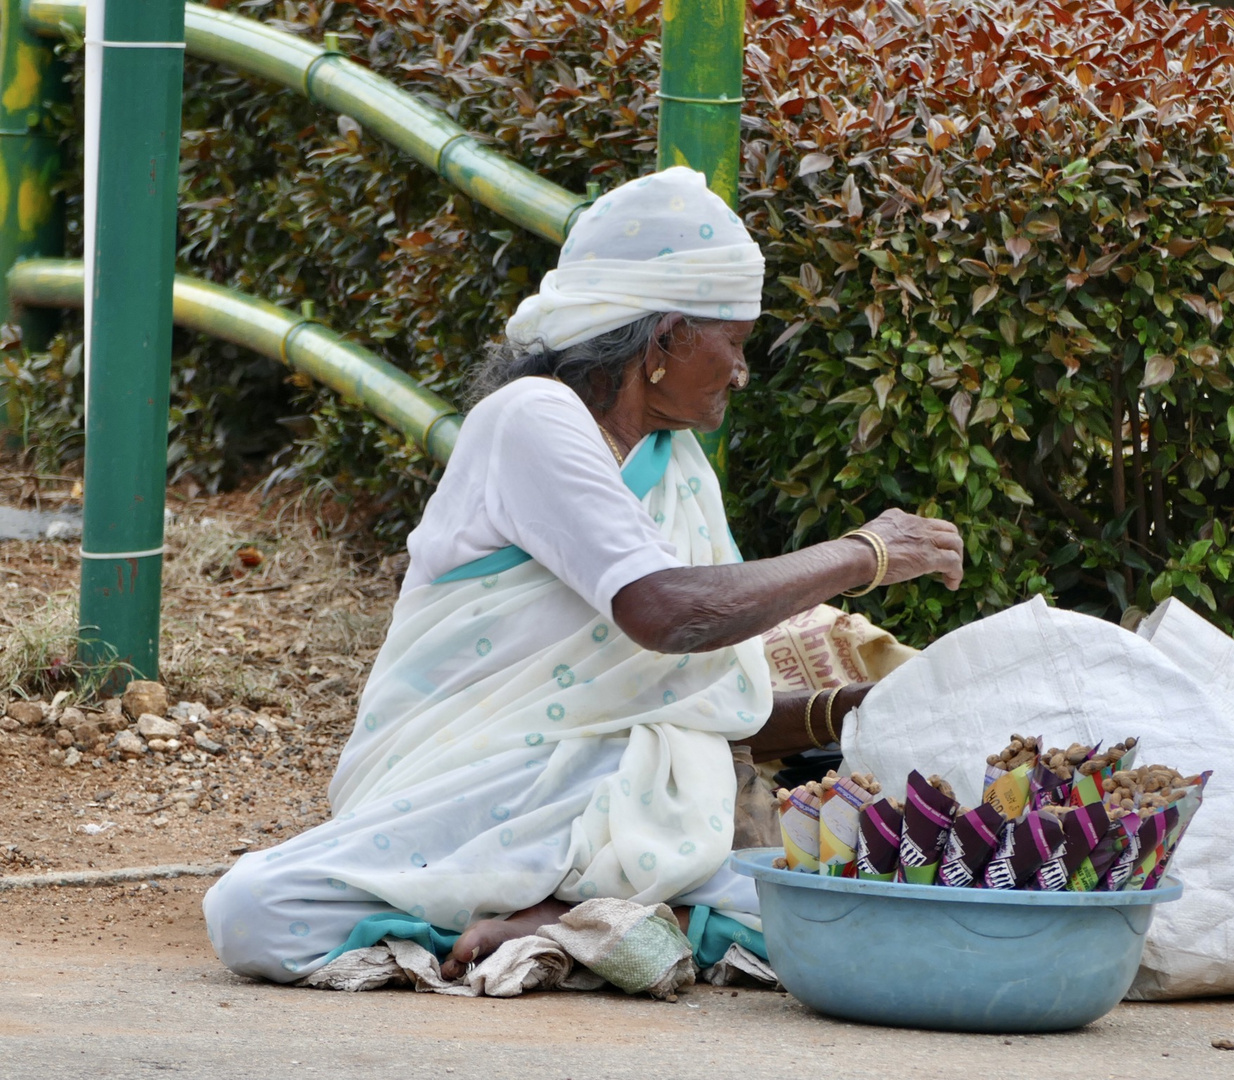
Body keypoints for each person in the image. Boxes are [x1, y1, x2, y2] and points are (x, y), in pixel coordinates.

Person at [203, 167, 964, 983]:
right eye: (734, 343)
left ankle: (583, 916)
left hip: (638, 811)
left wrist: (851, 710)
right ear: (665, 338)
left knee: (850, 902)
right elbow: (663, 614)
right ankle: (570, 917)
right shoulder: (531, 418)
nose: (742, 372)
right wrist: (865, 553)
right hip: (491, 786)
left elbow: (690, 706)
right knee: (255, 911)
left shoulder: (676, 462)